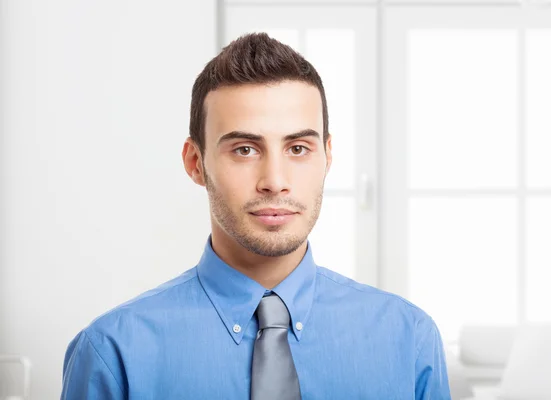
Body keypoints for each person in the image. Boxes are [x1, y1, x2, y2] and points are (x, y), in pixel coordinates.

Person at [61, 33, 451, 400]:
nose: (275, 182)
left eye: (298, 148)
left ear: (327, 158)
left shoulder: (410, 341)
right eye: (245, 150)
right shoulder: (112, 353)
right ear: (196, 163)